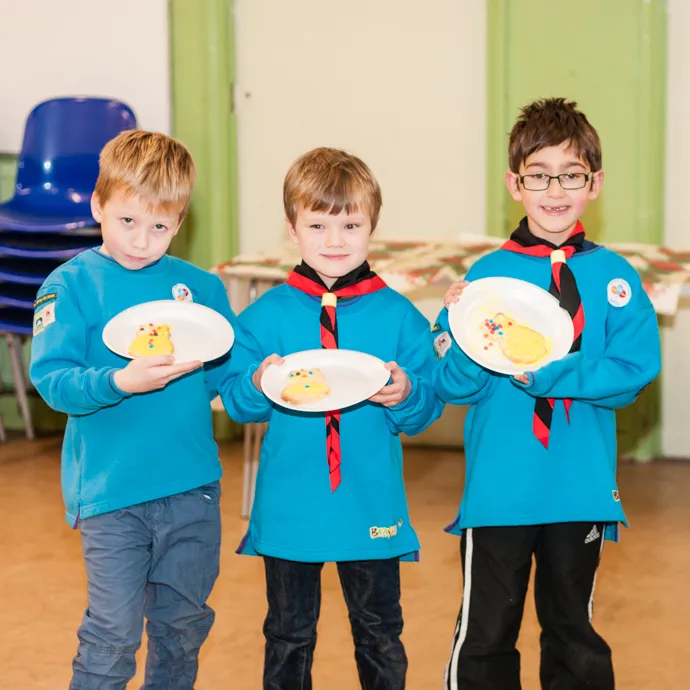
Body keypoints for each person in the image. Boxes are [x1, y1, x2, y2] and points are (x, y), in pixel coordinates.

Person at [433, 98, 661, 690]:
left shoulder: (616, 276)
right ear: (515, 184)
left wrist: (549, 372)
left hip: (579, 486)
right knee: (485, 633)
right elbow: (454, 385)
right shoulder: (483, 279)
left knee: (573, 634)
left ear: (595, 183)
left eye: (571, 175)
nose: (554, 190)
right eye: (538, 175)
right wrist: (458, 331)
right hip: (500, 488)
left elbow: (632, 372)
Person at [221, 147, 443, 689]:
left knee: (380, 634)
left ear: (373, 226)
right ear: (292, 228)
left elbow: (426, 407)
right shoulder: (266, 315)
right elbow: (235, 401)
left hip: (370, 503)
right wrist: (255, 382)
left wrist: (405, 393)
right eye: (318, 224)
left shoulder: (399, 315)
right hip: (290, 507)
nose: (335, 240)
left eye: (350, 224)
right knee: (288, 637)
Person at [30, 130, 236, 689]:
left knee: (183, 627)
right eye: (127, 221)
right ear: (99, 204)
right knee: (113, 635)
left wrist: (273, 380)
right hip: (111, 494)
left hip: (193, 489)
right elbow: (53, 381)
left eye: (160, 227)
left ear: (180, 221)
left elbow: (230, 377)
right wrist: (120, 379)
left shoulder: (202, 291)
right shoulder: (69, 284)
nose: (143, 241)